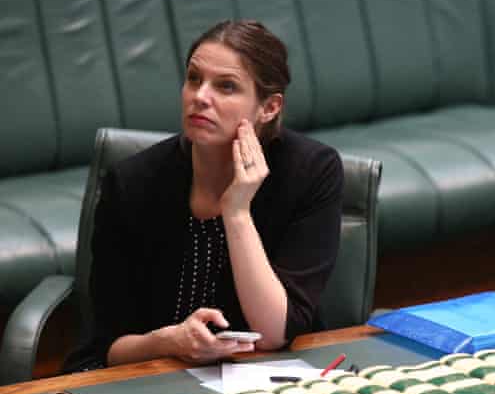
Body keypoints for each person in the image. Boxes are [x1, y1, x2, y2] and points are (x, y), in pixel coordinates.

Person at [63, 20, 343, 371]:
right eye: (194, 78)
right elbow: (106, 348)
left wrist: (237, 210)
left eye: (226, 86)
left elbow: (274, 333)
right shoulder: (133, 183)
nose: (200, 97)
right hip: (154, 378)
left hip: (268, 381)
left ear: (269, 107)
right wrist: (168, 342)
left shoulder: (310, 172)